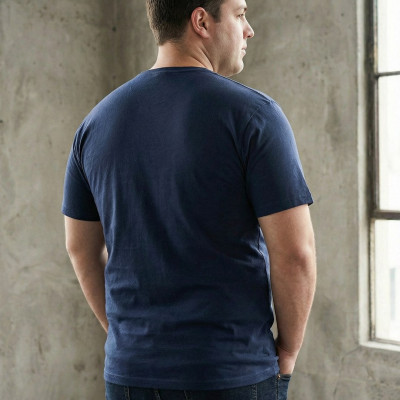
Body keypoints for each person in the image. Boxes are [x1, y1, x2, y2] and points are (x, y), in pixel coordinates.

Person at [62, 0, 317, 399]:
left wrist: (124, 337)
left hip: (129, 375)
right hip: (229, 373)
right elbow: (295, 253)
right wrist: (287, 353)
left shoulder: (96, 123)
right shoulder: (254, 116)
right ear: (201, 21)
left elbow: (80, 247)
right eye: (239, 14)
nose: (249, 29)